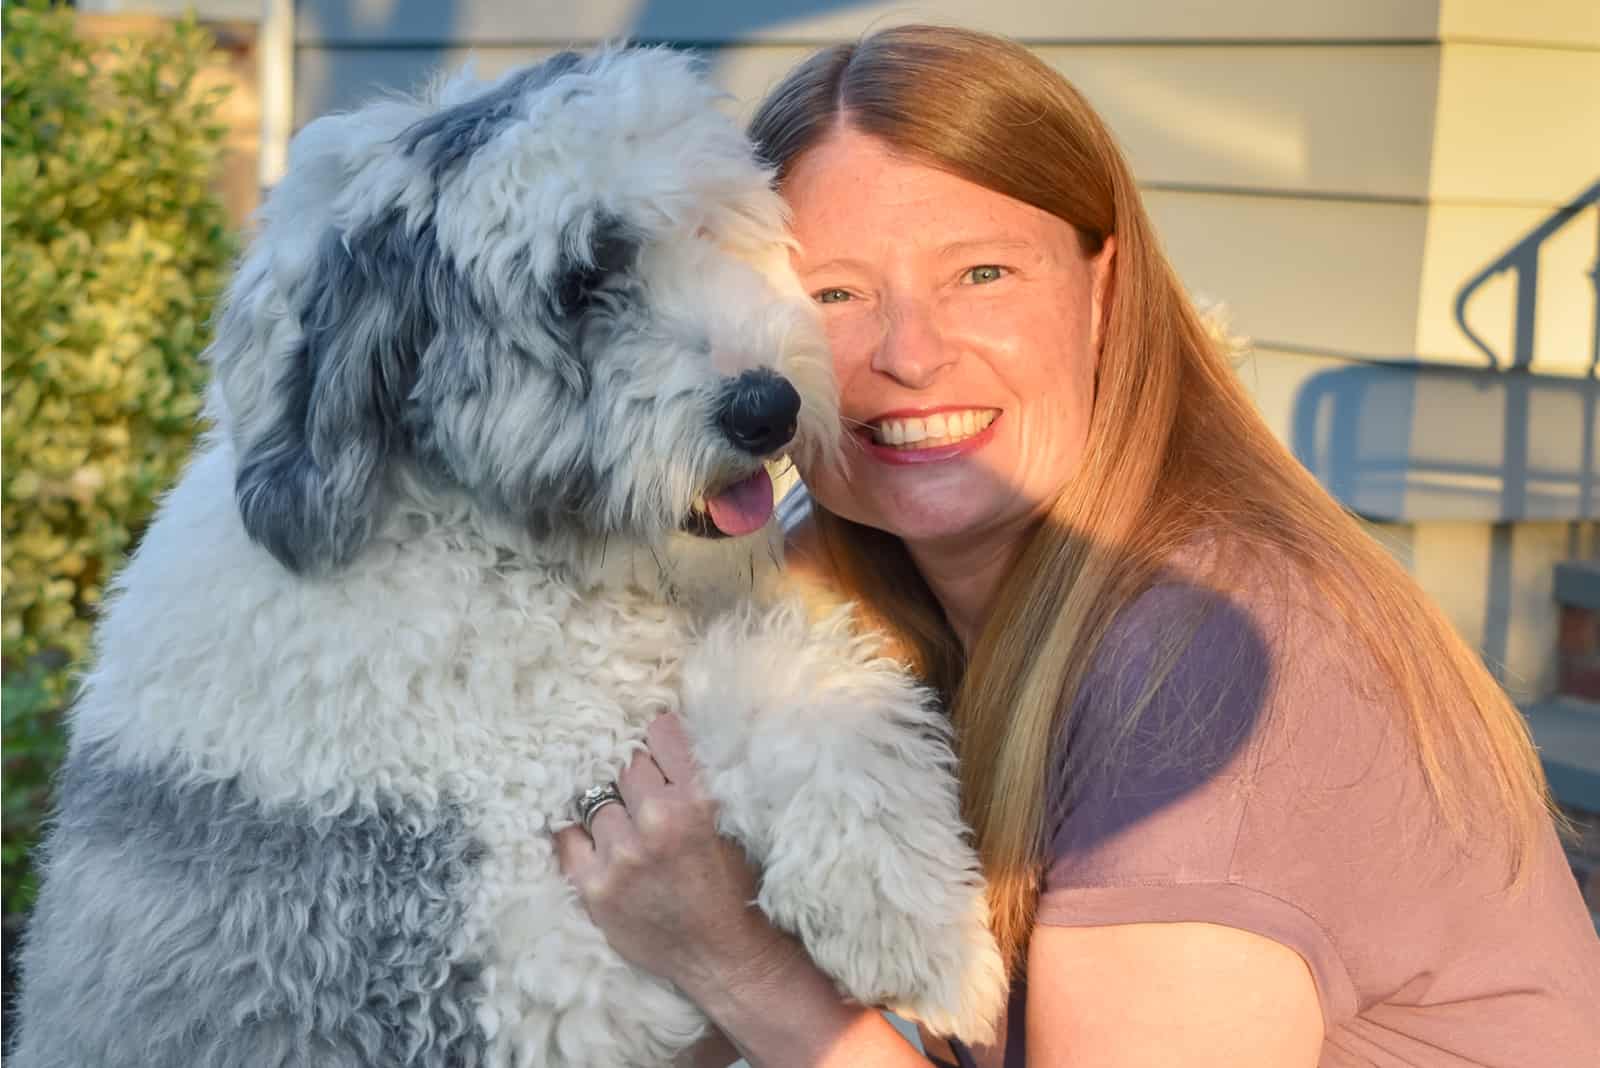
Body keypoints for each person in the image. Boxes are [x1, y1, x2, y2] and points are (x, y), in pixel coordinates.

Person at [554, 24, 1600, 1067]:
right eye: (831, 293)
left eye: (983, 273)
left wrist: (728, 956)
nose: (909, 353)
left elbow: (719, 956)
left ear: (1104, 296)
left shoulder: (1211, 663)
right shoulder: (844, 611)